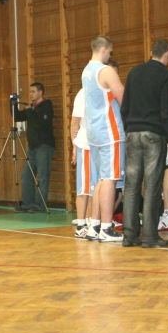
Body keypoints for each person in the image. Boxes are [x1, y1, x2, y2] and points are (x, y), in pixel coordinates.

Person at [120, 40, 168, 248]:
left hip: (132, 132)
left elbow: (125, 105)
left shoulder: (134, 72)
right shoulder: (166, 75)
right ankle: (149, 236)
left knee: (131, 185)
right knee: (153, 185)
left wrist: (129, 127)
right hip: (153, 133)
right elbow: (166, 110)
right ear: (167, 54)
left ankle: (129, 235)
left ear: (151, 52)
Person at [81, 36, 125, 243]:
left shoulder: (86, 70)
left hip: (94, 131)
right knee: (110, 179)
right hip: (109, 131)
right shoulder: (105, 70)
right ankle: (107, 228)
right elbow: (123, 97)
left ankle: (94, 225)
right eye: (110, 52)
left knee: (100, 179)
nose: (110, 56)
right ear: (105, 49)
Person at [13, 82, 55, 213]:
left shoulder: (47, 105)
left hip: (44, 146)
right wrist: (13, 104)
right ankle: (27, 203)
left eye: (33, 91)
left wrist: (30, 111)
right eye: (30, 92)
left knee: (42, 177)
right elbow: (17, 117)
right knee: (26, 175)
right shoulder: (32, 108)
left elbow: (41, 122)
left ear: (40, 92)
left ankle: (39, 205)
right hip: (32, 147)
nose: (30, 94)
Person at [70, 87, 95, 238]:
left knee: (95, 187)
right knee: (85, 188)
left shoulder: (105, 90)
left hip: (100, 146)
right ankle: (81, 225)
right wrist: (75, 146)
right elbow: (74, 123)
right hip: (86, 146)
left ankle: (93, 222)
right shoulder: (83, 93)